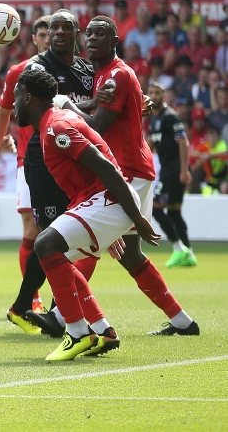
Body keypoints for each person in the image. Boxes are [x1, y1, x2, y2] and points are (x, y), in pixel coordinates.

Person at [45, 18, 199, 337]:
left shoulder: (115, 74)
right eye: (89, 34)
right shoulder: (105, 75)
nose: (92, 39)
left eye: (101, 34)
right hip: (131, 169)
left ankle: (64, 318)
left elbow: (96, 127)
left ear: (115, 40)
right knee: (129, 254)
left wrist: (65, 105)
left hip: (126, 171)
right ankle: (183, 322)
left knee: (75, 246)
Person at [12, 68, 159, 360]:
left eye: (16, 97)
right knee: (62, 258)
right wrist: (111, 226)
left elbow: (104, 166)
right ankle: (103, 331)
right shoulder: (52, 124)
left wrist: (135, 218)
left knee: (45, 244)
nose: (13, 104)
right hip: (102, 202)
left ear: (28, 98)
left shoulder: (56, 127)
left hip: (108, 199)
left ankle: (78, 332)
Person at [0, 15, 51, 314]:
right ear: (34, 39)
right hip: (31, 161)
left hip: (71, 160)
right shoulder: (19, 72)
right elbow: (2, 113)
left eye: (55, 33)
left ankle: (62, 303)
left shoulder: (78, 71)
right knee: (32, 232)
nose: (49, 38)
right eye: (43, 34)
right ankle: (32, 297)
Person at [147, 82, 196, 267]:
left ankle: (178, 248)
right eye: (150, 92)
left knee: (155, 207)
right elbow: (152, 142)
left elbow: (183, 142)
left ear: (164, 95)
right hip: (168, 169)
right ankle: (189, 253)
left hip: (175, 169)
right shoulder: (153, 118)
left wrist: (184, 170)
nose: (153, 96)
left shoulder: (170, 117)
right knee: (174, 211)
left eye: (157, 93)